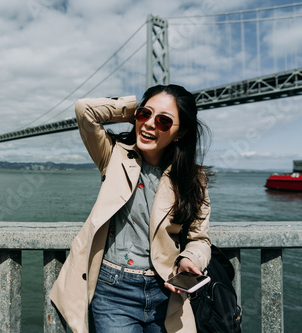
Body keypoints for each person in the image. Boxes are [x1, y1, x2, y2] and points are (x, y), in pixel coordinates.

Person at [50, 84, 212, 333]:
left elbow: (199, 239)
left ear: (180, 134)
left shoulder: (193, 178)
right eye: (145, 114)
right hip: (113, 291)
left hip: (166, 293)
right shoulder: (112, 155)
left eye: (164, 121)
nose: (149, 124)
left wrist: (190, 259)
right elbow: (85, 110)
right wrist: (134, 110)